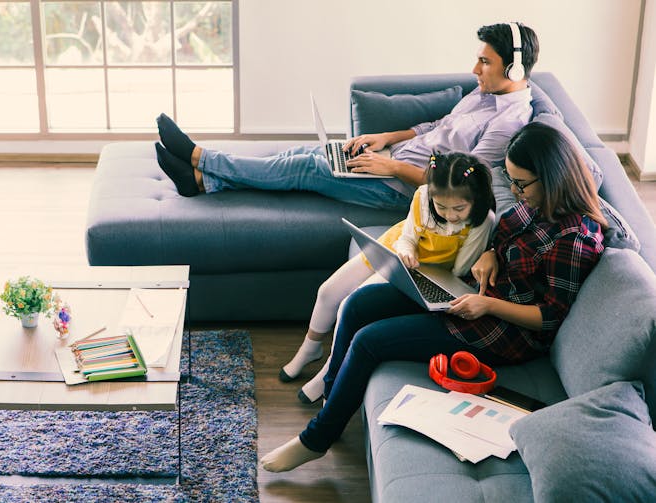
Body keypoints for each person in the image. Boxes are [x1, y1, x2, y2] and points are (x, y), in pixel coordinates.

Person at [259, 121, 608, 472]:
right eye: (511, 180)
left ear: (551, 175)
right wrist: (490, 255)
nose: (515, 191)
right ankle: (332, 403)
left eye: (521, 183)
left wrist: (486, 303)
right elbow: (502, 239)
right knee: (356, 305)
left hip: (501, 331)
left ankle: (317, 439)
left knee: (369, 342)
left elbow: (549, 317)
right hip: (468, 298)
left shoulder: (575, 237)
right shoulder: (537, 203)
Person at [153, 22, 539, 211]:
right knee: (297, 155)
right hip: (392, 162)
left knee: (306, 167)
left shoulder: (508, 123)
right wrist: (387, 138)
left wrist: (391, 170)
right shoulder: (486, 91)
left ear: (515, 69)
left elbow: (463, 185)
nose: (474, 69)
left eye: (484, 61)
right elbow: (439, 127)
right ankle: (203, 184)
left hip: (404, 191)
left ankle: (201, 158)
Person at [283, 151, 496, 405]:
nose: (450, 215)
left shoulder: (482, 221)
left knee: (350, 306)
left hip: (425, 273)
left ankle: (329, 371)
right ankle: (310, 349)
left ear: (475, 199)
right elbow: (407, 237)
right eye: (441, 207)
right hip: (396, 251)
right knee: (328, 291)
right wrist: (406, 251)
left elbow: (459, 271)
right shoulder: (423, 196)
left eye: (458, 208)